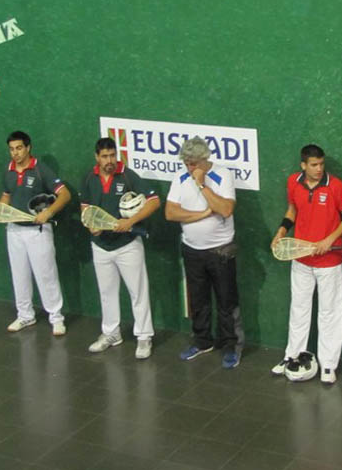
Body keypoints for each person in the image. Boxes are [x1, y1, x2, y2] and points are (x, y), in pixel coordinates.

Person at [271, 144, 342, 384]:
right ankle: (292, 356)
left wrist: (329, 239)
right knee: (299, 309)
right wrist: (281, 231)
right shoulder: (293, 182)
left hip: (329, 261)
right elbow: (292, 209)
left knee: (329, 312)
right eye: (314, 165)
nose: (319, 169)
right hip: (301, 258)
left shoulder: (336, 186)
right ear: (303, 165)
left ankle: (328, 365)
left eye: (321, 164)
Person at [165, 136, 243, 369]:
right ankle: (202, 342)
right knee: (198, 301)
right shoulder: (179, 178)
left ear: (204, 159)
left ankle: (231, 346)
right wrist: (202, 215)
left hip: (221, 251)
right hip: (192, 250)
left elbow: (226, 209)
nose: (189, 167)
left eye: (193, 163)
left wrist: (201, 184)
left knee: (227, 301)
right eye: (186, 162)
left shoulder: (222, 175)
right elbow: (171, 213)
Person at [80, 137, 160, 359]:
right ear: (97, 157)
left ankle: (144, 337)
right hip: (100, 246)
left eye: (112, 155)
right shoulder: (89, 178)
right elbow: (85, 209)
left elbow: (154, 201)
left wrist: (130, 221)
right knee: (106, 293)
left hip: (128, 246)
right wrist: (90, 226)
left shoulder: (127, 175)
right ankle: (111, 333)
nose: (110, 160)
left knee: (138, 292)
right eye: (105, 156)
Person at [0, 131, 70, 336]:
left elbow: (65, 194)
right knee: (19, 275)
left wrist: (49, 212)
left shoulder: (41, 170)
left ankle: (56, 318)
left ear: (28, 147)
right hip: (14, 231)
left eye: (19, 148)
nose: (15, 153)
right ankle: (25, 315)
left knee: (46, 274)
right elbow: (5, 196)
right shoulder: (8, 170)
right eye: (12, 149)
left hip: (38, 231)